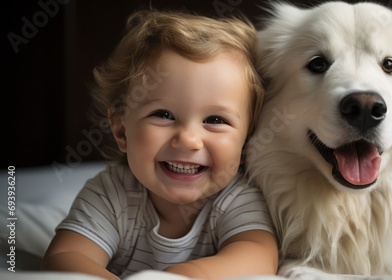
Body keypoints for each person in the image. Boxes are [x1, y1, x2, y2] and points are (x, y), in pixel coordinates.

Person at [41, 9, 278, 280]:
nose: (189, 139)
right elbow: (64, 257)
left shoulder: (237, 198)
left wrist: (181, 276)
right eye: (163, 115)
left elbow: (259, 256)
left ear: (248, 140)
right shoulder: (112, 193)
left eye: (214, 119)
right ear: (121, 130)